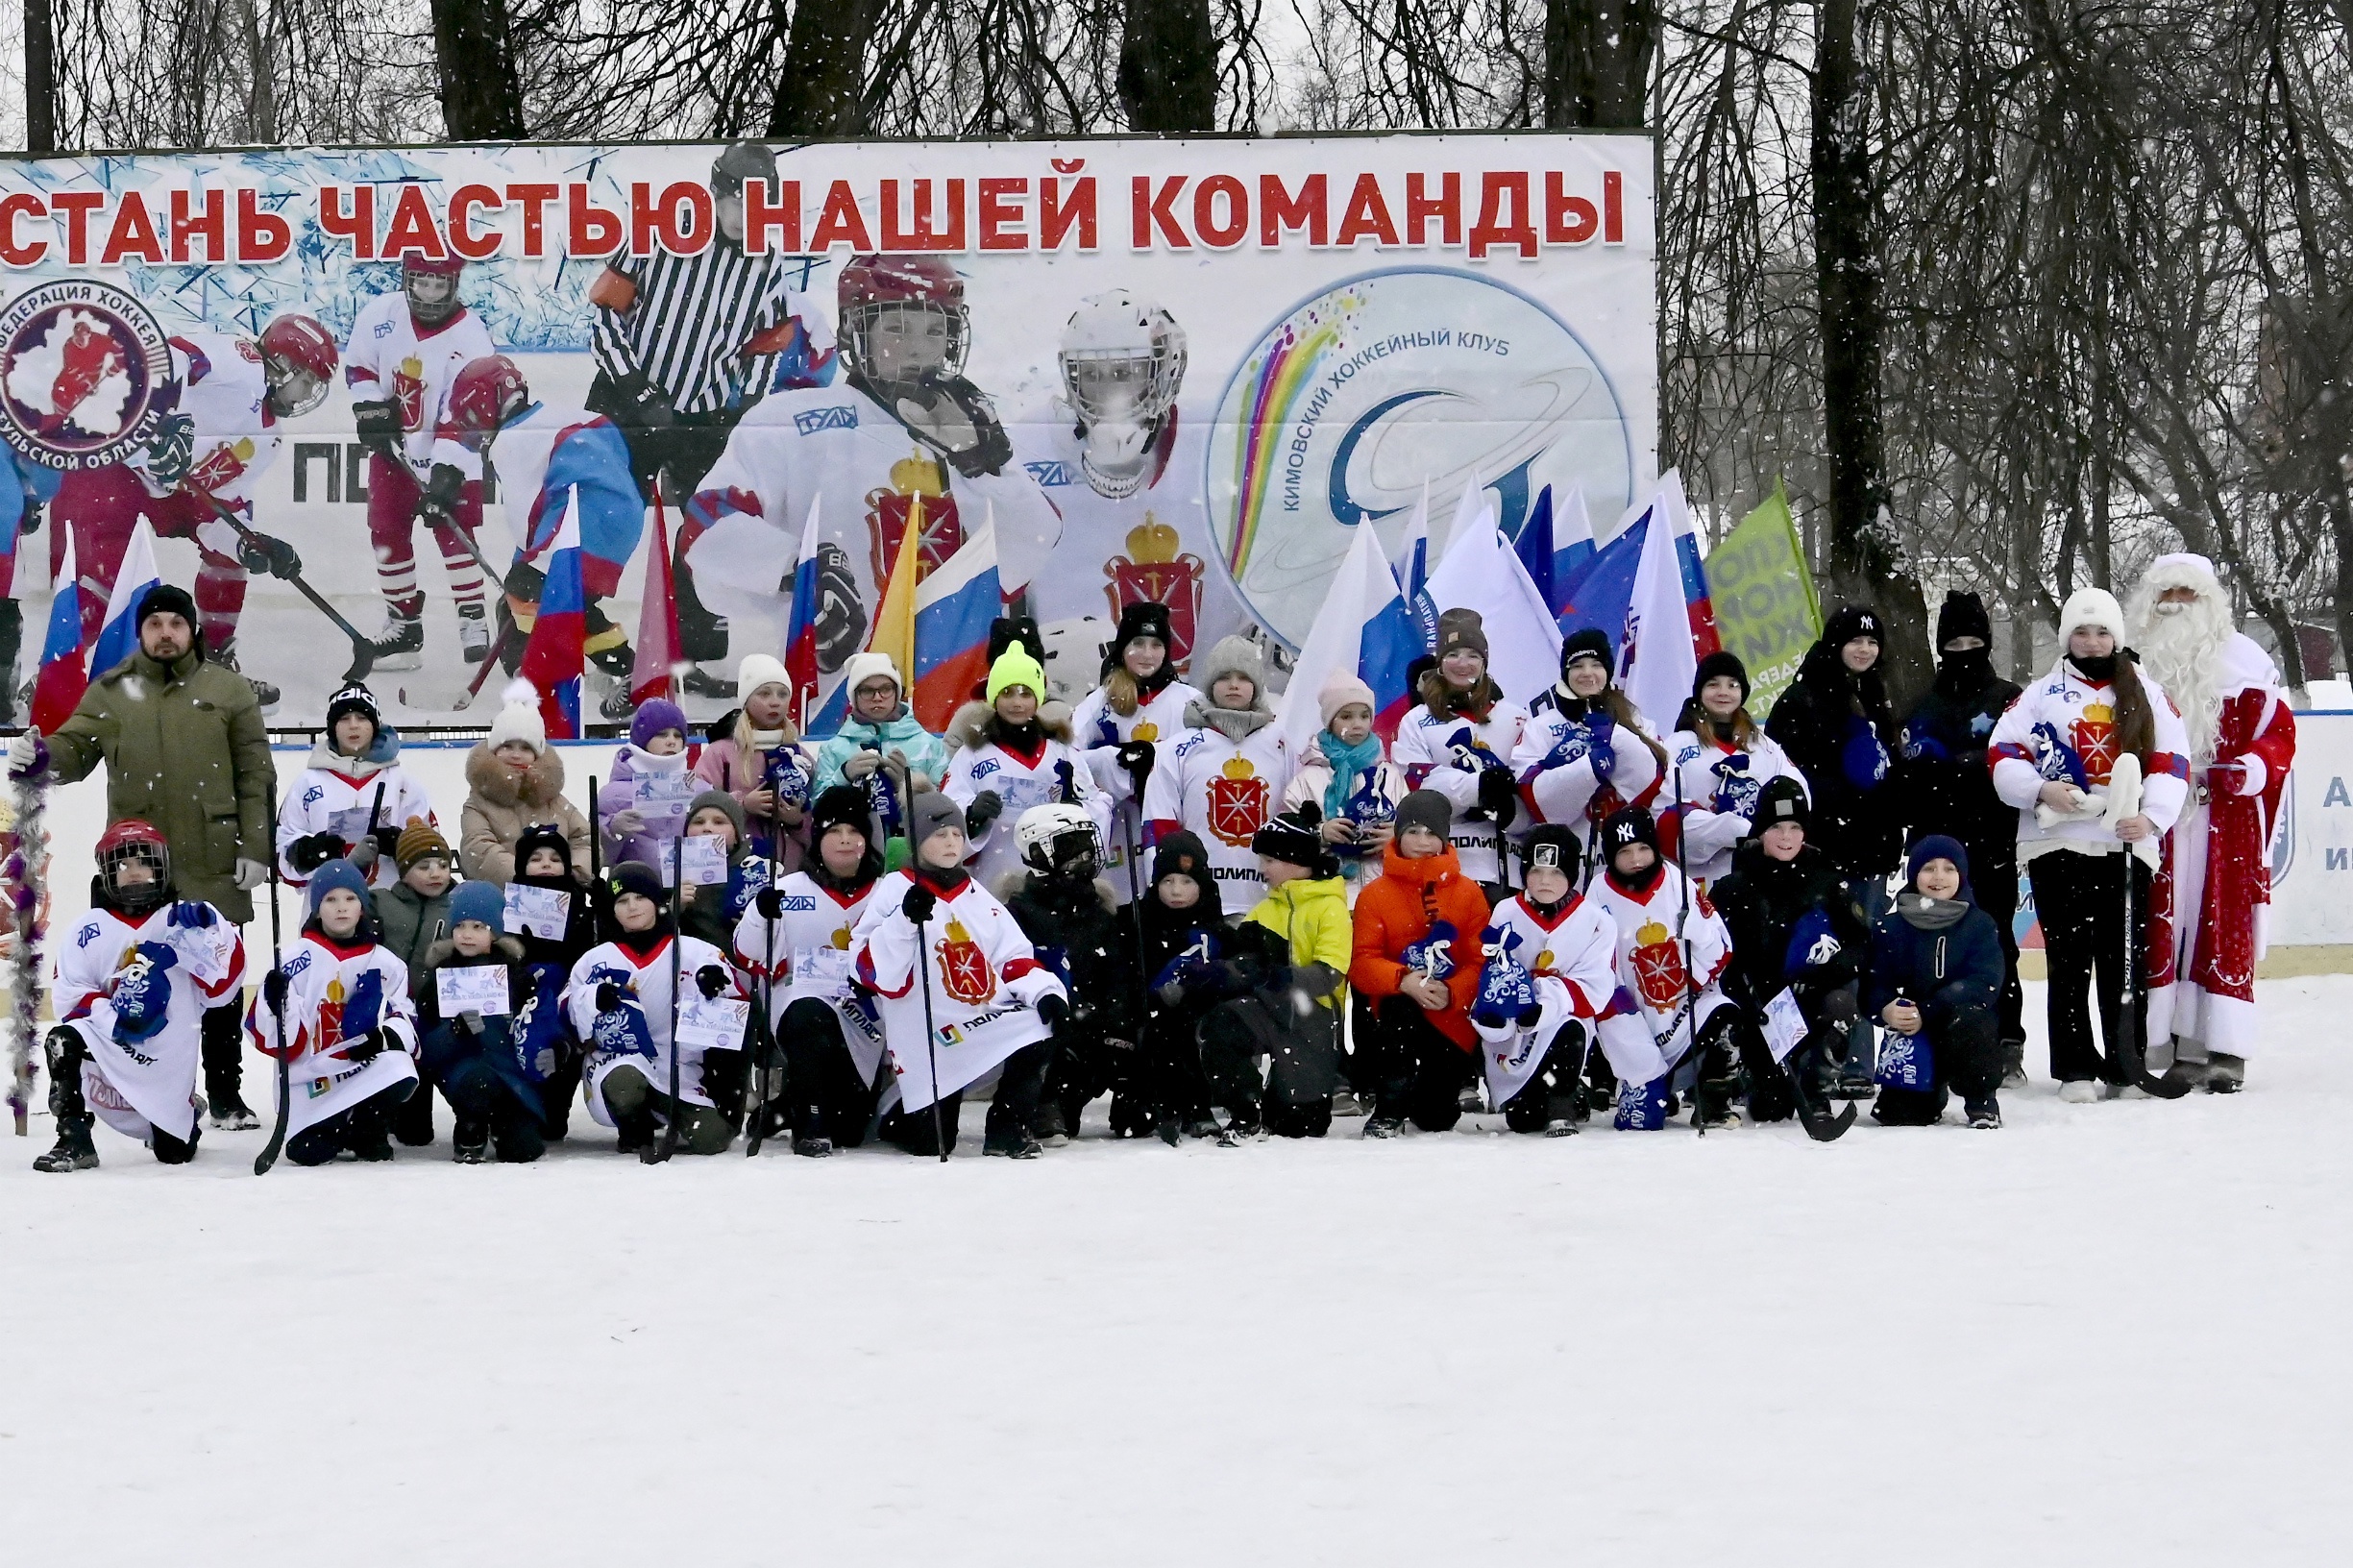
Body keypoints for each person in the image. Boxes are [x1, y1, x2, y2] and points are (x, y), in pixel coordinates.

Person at [679, 252, 1060, 687]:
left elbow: (1029, 548)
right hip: (822, 694)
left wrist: (985, 466)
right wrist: (799, 570)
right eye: (897, 328)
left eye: (935, 331)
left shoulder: (968, 431)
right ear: (855, 331)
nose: (918, 348)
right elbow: (705, 528)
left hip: (947, 687)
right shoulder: (792, 419)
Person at [13, 582, 275, 1130]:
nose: (165, 634)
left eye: (175, 624)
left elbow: (256, 776)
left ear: (192, 630)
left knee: (217, 985)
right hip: (134, 871)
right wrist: (39, 756)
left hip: (212, 863)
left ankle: (226, 1095)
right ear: (141, 633)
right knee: (132, 984)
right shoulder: (111, 691)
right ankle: (131, 1088)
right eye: (154, 625)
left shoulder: (229, 692)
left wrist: (255, 849)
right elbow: (75, 752)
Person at [593, 141, 837, 695]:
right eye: (741, 202)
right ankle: (548, 630)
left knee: (703, 530)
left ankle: (688, 656)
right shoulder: (656, 234)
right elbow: (604, 314)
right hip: (626, 396)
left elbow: (763, 347)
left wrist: (736, 412)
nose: (750, 216)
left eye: (761, 204)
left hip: (702, 413)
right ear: (718, 192)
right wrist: (637, 388)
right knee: (598, 514)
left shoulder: (766, 261)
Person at [44, 314, 334, 708]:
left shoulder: (268, 441)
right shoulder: (242, 361)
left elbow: (221, 512)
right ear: (283, 365)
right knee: (103, 582)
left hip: (167, 488)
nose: (306, 395)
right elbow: (167, 358)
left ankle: (213, 663)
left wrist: (251, 545)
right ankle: (55, 675)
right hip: (113, 463)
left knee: (233, 555)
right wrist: (162, 422)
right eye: (307, 382)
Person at [1990, 587, 2192, 1099]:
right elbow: (2003, 754)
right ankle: (2076, 1067)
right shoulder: (2040, 693)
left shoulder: (2145, 690)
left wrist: (2151, 817)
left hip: (2124, 842)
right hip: (2058, 842)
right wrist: (2040, 789)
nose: (2093, 640)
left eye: (2103, 630)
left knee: (2123, 957)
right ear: (2066, 637)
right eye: (2081, 630)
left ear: (2116, 636)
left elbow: (2173, 760)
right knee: (2068, 955)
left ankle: (2127, 1063)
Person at [2132, 553, 2297, 1093]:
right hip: (2161, 818)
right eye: (2166, 596)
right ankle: (2182, 1043)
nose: (2175, 606)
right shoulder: (2136, 666)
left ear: (2209, 602)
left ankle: (2226, 1047)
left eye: (2187, 595)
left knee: (2220, 926)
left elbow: (2279, 735)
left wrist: (2252, 767)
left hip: (2224, 818)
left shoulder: (2246, 661)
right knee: (2165, 927)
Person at [849, 791, 1067, 1159]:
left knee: (1039, 1026)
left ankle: (1007, 1129)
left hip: (981, 1017)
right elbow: (867, 967)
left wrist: (1045, 992)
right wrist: (903, 921)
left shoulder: (979, 896)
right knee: (932, 1144)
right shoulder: (894, 889)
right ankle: (894, 1108)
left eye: (956, 833)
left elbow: (1013, 959)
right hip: (926, 1030)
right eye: (939, 834)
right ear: (917, 842)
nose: (951, 842)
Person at [34, 821, 244, 1172]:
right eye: (122, 865)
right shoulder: (88, 929)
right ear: (107, 873)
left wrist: (213, 928)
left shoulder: (182, 922)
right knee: (62, 1041)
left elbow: (223, 990)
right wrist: (117, 1019)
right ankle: (73, 1139)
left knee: (173, 1154)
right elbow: (70, 997)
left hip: (167, 1060)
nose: (132, 872)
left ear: (160, 866)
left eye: (143, 862)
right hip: (113, 1043)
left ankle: (185, 1111)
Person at [437, 353, 647, 695]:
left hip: (585, 520)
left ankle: (546, 676)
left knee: (529, 589)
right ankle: (629, 673)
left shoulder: (509, 442)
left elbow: (527, 520)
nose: (473, 430)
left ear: (489, 404)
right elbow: (614, 442)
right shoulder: (554, 415)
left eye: (473, 417)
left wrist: (525, 560)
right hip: (619, 513)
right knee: (563, 598)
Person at [1892, 591, 2028, 1084]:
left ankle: (2006, 1038)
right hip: (1937, 850)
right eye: (1954, 642)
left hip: (1995, 844)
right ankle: (1933, 1034)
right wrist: (1922, 771)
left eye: (1974, 640)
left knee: (1995, 944)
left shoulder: (2010, 700)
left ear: (1988, 643)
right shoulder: (1922, 705)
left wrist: (1967, 765)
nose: (1964, 650)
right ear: (1940, 646)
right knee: (1929, 944)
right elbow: (1903, 783)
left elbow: (2023, 764)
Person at [343, 255, 499, 668]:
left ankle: (472, 616)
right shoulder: (381, 314)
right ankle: (405, 625)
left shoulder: (472, 338)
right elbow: (359, 368)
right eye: (421, 283)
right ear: (406, 279)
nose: (429, 295)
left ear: (455, 285)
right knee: (387, 534)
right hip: (394, 455)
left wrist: (447, 471)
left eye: (439, 285)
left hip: (452, 455)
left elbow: (471, 407)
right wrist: (372, 409)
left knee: (456, 534)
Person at [734, 786, 887, 1156]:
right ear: (818, 839)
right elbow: (749, 956)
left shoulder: (888, 892)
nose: (846, 841)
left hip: (867, 1017)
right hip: (803, 1006)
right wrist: (759, 914)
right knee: (809, 1016)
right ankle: (808, 1120)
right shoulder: (786, 890)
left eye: (855, 832)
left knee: (851, 1131)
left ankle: (789, 1103)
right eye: (835, 831)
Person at [1708, 779, 1866, 1124]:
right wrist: (1741, 989)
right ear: (1760, 830)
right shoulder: (1734, 886)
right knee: (1770, 1109)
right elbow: (1713, 952)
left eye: (1795, 827)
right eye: (1776, 826)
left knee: (1840, 1002)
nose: (1786, 836)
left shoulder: (1826, 880)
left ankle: (1818, 1087)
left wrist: (1827, 974)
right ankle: (1748, 1078)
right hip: (1760, 1010)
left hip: (1811, 1001)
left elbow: (1860, 943)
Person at [245, 858, 422, 1165]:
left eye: (350, 898)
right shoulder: (294, 959)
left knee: (400, 1069)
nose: (341, 907)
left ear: (362, 906)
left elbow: (406, 1017)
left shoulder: (386, 962)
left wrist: (383, 1039)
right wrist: (277, 1004)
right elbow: (273, 1036)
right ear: (316, 908)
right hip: (311, 1077)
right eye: (330, 899)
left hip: (361, 1068)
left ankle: (367, 1126)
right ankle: (335, 1125)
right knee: (307, 1152)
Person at [564, 861, 743, 1156]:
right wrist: (594, 999)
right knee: (625, 1084)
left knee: (712, 1140)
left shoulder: (696, 951)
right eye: (622, 901)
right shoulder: (595, 959)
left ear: (658, 902)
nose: (632, 907)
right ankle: (635, 1126)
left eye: (640, 897)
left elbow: (738, 1006)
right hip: (619, 1063)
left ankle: (672, 1109)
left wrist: (714, 988)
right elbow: (566, 1010)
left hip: (680, 1070)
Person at [1194, 807, 1353, 1139]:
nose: (1262, 869)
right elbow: (1242, 963)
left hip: (1315, 1017)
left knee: (1301, 1126)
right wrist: (1218, 971)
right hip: (1268, 1008)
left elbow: (1330, 973)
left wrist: (1280, 977)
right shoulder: (1263, 911)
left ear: (1293, 860)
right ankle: (1245, 1112)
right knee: (1221, 1025)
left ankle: (1281, 1098)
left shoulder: (1330, 907)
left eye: (1269, 861)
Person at [1347, 790, 1493, 1136]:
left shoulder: (1469, 892)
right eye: (1413, 831)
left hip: (1450, 1015)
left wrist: (1453, 991)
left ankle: (1429, 1094)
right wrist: (1403, 981)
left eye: (1431, 833)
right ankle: (1389, 1104)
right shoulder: (1375, 894)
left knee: (1436, 1118)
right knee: (1398, 1013)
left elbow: (1481, 960)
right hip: (1395, 1011)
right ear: (1398, 835)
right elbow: (1361, 963)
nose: (1422, 841)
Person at [1587, 806, 1742, 1129]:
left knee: (1724, 1017)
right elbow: (1596, 966)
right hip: (1631, 1016)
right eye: (1625, 851)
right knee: (1644, 1121)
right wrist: (1622, 1019)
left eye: (1644, 848)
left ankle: (1711, 1101)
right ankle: (1656, 1086)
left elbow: (1720, 946)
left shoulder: (1676, 880)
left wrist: (1698, 930)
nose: (1636, 859)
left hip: (1683, 1003)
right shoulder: (1598, 893)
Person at [1469, 824, 1620, 1136]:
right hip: (1518, 1031)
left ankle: (1561, 1102)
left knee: (1567, 1028)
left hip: (1565, 1019)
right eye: (1536, 871)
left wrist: (1546, 1002)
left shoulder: (1596, 920)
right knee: (1524, 1121)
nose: (1545, 881)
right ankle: (1552, 1095)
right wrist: (1499, 1011)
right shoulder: (1505, 912)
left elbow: (1594, 986)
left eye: (1555, 872)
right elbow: (1494, 971)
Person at [999, 802, 1134, 1145]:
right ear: (1038, 851)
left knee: (1127, 1037)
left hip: (1091, 1022)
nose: (1086, 854)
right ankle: (1044, 1101)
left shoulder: (1099, 912)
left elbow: (1115, 973)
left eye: (1088, 843)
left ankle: (1129, 1100)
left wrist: (1116, 1016)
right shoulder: (1016, 913)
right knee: (1047, 1029)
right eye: (1072, 845)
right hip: (1048, 1021)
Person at [1139, 633, 1293, 909]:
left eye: (1243, 677)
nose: (1234, 685)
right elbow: (1159, 826)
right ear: (1210, 684)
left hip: (1271, 906)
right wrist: (1168, 893)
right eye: (1224, 677)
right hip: (1199, 907)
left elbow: (1296, 821)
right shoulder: (1178, 749)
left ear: (1257, 685)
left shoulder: (1282, 745)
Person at [1865, 837, 2008, 1129]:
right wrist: (1887, 1008)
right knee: (1900, 1117)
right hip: (1912, 1036)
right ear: (1914, 874)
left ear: (1961, 876)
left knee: (1973, 1020)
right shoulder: (1890, 926)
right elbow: (1873, 983)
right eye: (1929, 868)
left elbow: (1984, 983)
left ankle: (1981, 1100)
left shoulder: (1979, 924)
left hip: (1959, 1025)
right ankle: (1925, 1094)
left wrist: (1928, 1010)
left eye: (1949, 869)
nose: (1939, 877)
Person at [944, 637, 1109, 892]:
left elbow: (1098, 803)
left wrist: (1075, 809)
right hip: (992, 877)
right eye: (1007, 693)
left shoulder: (1062, 752)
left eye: (1026, 693)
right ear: (994, 698)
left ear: (1038, 699)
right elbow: (947, 807)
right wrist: (971, 813)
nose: (1017, 702)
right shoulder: (972, 754)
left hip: (1055, 881)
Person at [1069, 602, 1203, 903]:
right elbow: (1067, 754)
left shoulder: (1189, 701)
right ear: (1123, 648)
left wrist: (1155, 757)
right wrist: (1111, 762)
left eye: (1156, 645)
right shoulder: (1101, 701)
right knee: (1122, 904)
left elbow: (1203, 756)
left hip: (1170, 820)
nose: (1147, 654)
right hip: (1119, 825)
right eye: (1138, 643)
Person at [1515, 628, 1668, 883]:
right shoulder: (1542, 725)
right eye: (1577, 665)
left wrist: (1616, 737)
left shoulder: (1637, 721)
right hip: (1568, 866)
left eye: (1596, 664)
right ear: (1566, 673)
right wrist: (1586, 769)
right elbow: (1535, 801)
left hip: (1629, 861)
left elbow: (1654, 788)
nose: (1587, 673)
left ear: (1607, 670)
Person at [1392, 609, 1529, 892]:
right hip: (1443, 866)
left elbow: (1531, 790)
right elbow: (1420, 785)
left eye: (1472, 655)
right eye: (1453, 655)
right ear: (1440, 662)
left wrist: (1511, 811)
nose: (1462, 664)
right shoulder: (1417, 720)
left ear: (1484, 662)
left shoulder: (1516, 717)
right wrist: (1480, 786)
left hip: (1508, 869)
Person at [1766, 605, 1903, 882]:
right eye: (1855, 640)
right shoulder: (1801, 698)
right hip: (1823, 847)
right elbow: (1781, 771)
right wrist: (1842, 796)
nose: (1864, 649)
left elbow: (1887, 760)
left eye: (1872, 642)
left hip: (1874, 847)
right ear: (1836, 643)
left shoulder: (1875, 691)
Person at [1117, 830, 1238, 1141]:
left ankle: (1198, 1108)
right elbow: (1123, 975)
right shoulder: (1137, 921)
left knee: (1186, 1031)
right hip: (1145, 1020)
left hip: (1197, 1017)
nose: (1176, 891)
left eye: (1187, 882)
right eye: (1167, 882)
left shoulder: (1215, 928)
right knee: (1128, 1120)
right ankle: (1155, 1104)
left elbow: (1231, 974)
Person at [1661, 650, 1806, 888]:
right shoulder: (1678, 745)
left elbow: (1798, 795)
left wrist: (1772, 825)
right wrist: (1726, 829)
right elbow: (1666, 817)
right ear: (1700, 691)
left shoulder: (1762, 745)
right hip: (1704, 879)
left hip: (1765, 873)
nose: (1723, 692)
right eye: (1713, 684)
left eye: (1732, 685)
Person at [275, 683, 437, 892]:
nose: (353, 725)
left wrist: (404, 846)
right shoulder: (307, 782)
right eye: (344, 719)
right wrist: (305, 852)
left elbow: (432, 850)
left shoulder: (402, 782)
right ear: (333, 727)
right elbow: (282, 851)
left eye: (362, 718)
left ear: (374, 725)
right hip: (326, 911)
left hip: (395, 909)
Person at [1280, 673, 1408, 903]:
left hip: (1384, 897)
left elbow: (1414, 828)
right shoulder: (1308, 778)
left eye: (1364, 715)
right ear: (1330, 722)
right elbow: (1283, 837)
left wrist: (1398, 837)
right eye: (1346, 717)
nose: (1357, 724)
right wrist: (1320, 833)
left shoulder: (1390, 776)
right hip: (1325, 900)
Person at [505, 822, 598, 1139]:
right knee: (525, 1048)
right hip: (524, 993)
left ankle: (557, 1107)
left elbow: (591, 951)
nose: (546, 864)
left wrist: (600, 909)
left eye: (555, 859)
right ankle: (528, 1106)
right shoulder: (510, 903)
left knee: (565, 1052)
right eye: (537, 858)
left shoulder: (582, 903)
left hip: (565, 990)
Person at [372, 821, 458, 1148]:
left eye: (443, 865)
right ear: (404, 870)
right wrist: (355, 866)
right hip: (398, 1019)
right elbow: (336, 912)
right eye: (424, 866)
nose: (435, 873)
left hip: (442, 1017)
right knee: (414, 1135)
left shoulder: (459, 906)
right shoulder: (381, 902)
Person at [458, 682, 593, 885]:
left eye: (525, 748)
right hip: (504, 897)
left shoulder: (554, 800)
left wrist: (569, 872)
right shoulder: (478, 803)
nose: (515, 755)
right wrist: (523, 877)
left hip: (559, 898)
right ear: (494, 750)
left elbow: (586, 840)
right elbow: (478, 850)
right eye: (507, 746)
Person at [692, 652, 816, 870]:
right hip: (733, 875)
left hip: (791, 874)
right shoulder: (720, 753)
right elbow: (696, 810)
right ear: (746, 700)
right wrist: (742, 805)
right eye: (764, 694)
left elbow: (821, 823)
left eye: (783, 694)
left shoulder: (801, 757)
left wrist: (797, 821)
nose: (775, 702)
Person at [811, 652, 949, 841]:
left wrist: (909, 785)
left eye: (886, 689)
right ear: (854, 696)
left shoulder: (929, 745)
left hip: (913, 850)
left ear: (897, 692)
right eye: (867, 690)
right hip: (852, 852)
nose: (877, 697)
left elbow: (947, 811)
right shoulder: (833, 749)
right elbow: (816, 812)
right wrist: (842, 776)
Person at [601, 698, 696, 870]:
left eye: (678, 735)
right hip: (636, 892)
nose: (671, 741)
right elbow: (598, 857)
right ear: (643, 740)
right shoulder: (613, 796)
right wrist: (611, 830)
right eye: (661, 734)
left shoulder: (700, 790)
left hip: (692, 891)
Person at [676, 789, 772, 949]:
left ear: (736, 835)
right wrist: (673, 908)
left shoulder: (759, 872)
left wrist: (758, 924)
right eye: (698, 822)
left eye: (719, 822)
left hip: (744, 966)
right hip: (693, 966)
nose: (707, 828)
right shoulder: (673, 873)